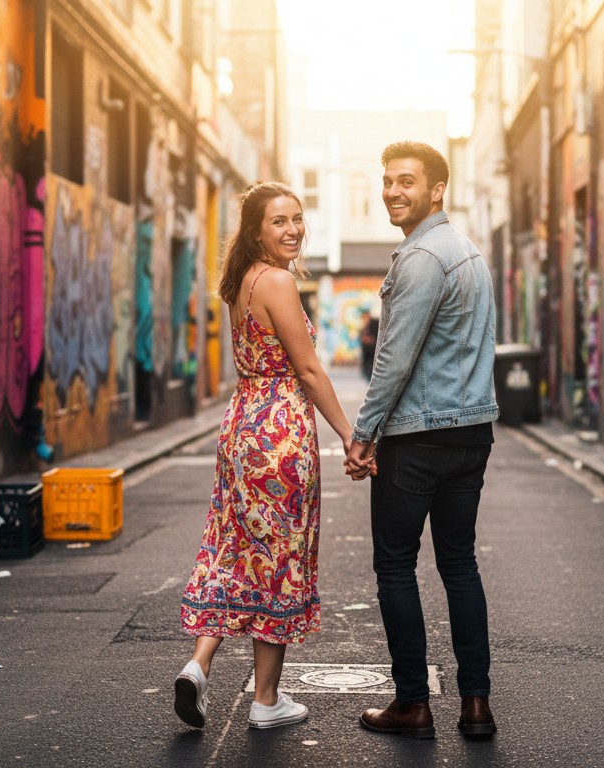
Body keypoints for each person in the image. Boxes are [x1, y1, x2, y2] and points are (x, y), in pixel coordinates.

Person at [175, 182, 354, 730]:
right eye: (279, 221)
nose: (294, 229)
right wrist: (349, 433)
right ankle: (267, 701)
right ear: (257, 231)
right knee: (277, 558)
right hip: (278, 434)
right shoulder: (277, 281)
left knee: (234, 549)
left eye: (298, 219)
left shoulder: (242, 281)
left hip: (241, 428)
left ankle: (199, 665)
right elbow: (306, 370)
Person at [344, 141, 499, 740]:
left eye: (406, 181)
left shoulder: (420, 258)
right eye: (387, 181)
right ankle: (476, 704)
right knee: (459, 564)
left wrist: (363, 435)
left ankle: (412, 702)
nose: (392, 191)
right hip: (472, 433)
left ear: (437, 189)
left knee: (395, 566)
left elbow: (395, 360)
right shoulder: (469, 253)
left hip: (417, 438)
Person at [358, 305, 380, 381]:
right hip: (367, 359)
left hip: (374, 357)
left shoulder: (375, 324)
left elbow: (378, 339)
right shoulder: (364, 328)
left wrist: (369, 340)